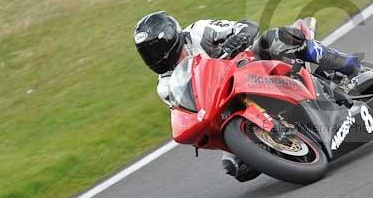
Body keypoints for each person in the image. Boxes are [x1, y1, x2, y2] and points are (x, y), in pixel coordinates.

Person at [133, 11, 361, 182]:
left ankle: (343, 65)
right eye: (147, 53)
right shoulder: (166, 85)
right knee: (238, 169)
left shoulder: (198, 32)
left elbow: (247, 26)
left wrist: (238, 37)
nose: (154, 57)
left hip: (251, 66)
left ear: (171, 37)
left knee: (274, 40)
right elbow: (192, 110)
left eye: (155, 48)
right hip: (224, 104)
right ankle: (291, 141)